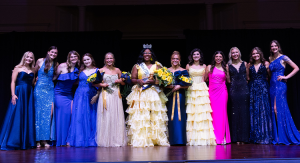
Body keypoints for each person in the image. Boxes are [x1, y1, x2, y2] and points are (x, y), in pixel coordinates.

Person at [126, 44, 169, 147]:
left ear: (151, 55)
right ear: (142, 55)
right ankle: (142, 138)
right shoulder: (137, 66)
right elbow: (132, 79)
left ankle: (155, 139)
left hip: (153, 92)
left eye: (149, 53)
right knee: (142, 116)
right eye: (145, 53)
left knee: (154, 116)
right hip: (141, 92)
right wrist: (138, 80)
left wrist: (154, 81)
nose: (147, 55)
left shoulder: (157, 65)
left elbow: (161, 81)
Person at [0, 52, 36, 150]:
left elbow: (32, 82)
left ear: (33, 59)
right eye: (27, 57)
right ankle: (13, 141)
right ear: (24, 58)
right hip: (19, 92)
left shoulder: (33, 69)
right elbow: (13, 82)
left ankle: (26, 141)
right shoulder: (17, 68)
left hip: (29, 94)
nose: (29, 59)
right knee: (17, 115)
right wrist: (13, 94)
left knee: (27, 115)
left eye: (31, 58)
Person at [269, 40, 300, 145]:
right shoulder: (270, 58)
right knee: (274, 110)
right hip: (272, 86)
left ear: (278, 47)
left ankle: (283, 135)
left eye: (275, 46)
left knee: (277, 108)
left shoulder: (284, 57)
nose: (274, 48)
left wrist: (286, 76)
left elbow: (296, 68)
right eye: (272, 46)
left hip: (280, 85)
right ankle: (277, 135)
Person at [93, 52, 127, 147]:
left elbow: (124, 83)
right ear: (105, 60)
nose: (109, 60)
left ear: (113, 59)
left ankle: (117, 139)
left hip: (116, 95)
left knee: (116, 115)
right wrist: (101, 84)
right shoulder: (100, 70)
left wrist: (121, 81)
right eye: (107, 58)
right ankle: (106, 139)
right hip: (106, 95)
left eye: (111, 58)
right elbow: (94, 83)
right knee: (106, 115)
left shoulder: (117, 70)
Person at [66, 53, 98, 147]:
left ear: (91, 59)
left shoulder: (97, 70)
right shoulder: (80, 70)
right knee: (80, 116)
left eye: (88, 59)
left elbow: (100, 84)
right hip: (80, 95)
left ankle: (91, 139)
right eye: (84, 60)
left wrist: (97, 94)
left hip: (91, 94)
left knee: (92, 116)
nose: (87, 61)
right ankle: (79, 139)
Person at [186, 48, 216, 145]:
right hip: (192, 88)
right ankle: (192, 137)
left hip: (202, 89)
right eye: (194, 54)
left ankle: (203, 137)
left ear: (200, 56)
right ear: (192, 56)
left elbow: (206, 78)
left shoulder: (204, 66)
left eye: (197, 54)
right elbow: (186, 78)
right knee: (193, 112)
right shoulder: (188, 66)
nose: (195, 56)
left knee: (202, 111)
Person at [54, 50, 80, 146]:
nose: (73, 58)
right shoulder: (62, 66)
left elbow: (76, 82)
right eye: (71, 57)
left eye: (75, 56)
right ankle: (60, 140)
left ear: (78, 58)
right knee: (62, 116)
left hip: (69, 95)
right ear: (68, 58)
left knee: (69, 116)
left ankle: (67, 139)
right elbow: (54, 77)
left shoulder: (77, 69)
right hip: (59, 93)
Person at [248, 47, 273, 144]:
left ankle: (264, 134)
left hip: (263, 88)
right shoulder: (249, 65)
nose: (255, 55)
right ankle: (256, 135)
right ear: (252, 55)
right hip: (253, 88)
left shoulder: (265, 63)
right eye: (253, 54)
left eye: (257, 53)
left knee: (263, 110)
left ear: (260, 54)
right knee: (254, 110)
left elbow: (270, 76)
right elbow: (248, 77)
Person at [204, 51, 231, 145]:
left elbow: (228, 80)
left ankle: (222, 137)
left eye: (220, 56)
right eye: (217, 56)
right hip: (212, 92)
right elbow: (205, 79)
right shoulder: (209, 67)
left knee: (222, 113)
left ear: (223, 58)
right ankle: (214, 137)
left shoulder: (225, 67)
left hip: (222, 92)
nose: (218, 58)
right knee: (213, 114)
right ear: (214, 58)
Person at [34, 46, 58, 147]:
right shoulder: (40, 60)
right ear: (48, 52)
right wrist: (35, 81)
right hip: (39, 89)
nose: (53, 54)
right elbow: (33, 72)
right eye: (52, 52)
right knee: (38, 114)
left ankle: (44, 139)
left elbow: (56, 75)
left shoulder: (56, 64)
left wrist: (51, 80)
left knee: (48, 115)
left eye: (55, 53)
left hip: (50, 90)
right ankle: (37, 140)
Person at [166, 51, 189, 145]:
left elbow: (188, 84)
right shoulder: (166, 70)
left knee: (180, 115)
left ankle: (181, 139)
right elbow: (162, 85)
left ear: (179, 60)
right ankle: (172, 139)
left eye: (177, 59)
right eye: (173, 58)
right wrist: (169, 86)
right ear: (171, 60)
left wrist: (180, 86)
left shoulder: (184, 70)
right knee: (170, 115)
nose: (175, 60)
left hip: (180, 95)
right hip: (170, 95)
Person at [227, 47, 250, 144]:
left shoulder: (245, 63)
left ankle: (244, 138)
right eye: (233, 53)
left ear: (239, 53)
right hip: (234, 91)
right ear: (230, 54)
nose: (235, 54)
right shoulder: (228, 65)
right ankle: (236, 138)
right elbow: (228, 80)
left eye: (237, 52)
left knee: (244, 113)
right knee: (235, 113)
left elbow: (248, 77)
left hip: (244, 90)